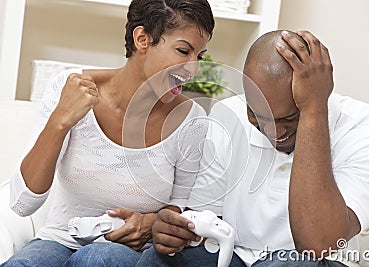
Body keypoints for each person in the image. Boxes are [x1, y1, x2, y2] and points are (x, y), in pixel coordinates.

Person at [136, 30, 369, 266]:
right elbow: (208, 214)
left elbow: (317, 244)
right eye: (258, 116)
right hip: (235, 253)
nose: (274, 131)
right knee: (154, 260)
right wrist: (178, 229)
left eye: (289, 119)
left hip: (315, 261)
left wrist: (313, 112)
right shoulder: (229, 113)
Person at [2, 0, 215, 266]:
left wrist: (151, 224)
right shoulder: (70, 88)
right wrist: (60, 121)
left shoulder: (192, 120)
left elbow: (182, 207)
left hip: (136, 251)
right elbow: (23, 204)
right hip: (60, 241)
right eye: (183, 51)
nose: (194, 68)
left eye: (200, 56)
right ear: (142, 39)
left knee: (99, 258)